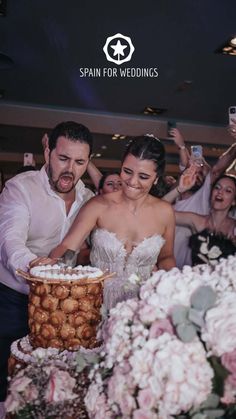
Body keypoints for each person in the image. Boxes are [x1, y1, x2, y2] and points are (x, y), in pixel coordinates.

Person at [0, 121, 94, 409]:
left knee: (52, 389)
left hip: (64, 309)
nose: (70, 169)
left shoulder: (89, 199)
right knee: (7, 382)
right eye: (63, 158)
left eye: (79, 162)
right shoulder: (20, 188)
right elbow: (10, 242)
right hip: (13, 300)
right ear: (47, 151)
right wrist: (36, 266)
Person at [48, 135, 176, 310]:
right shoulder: (98, 205)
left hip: (144, 308)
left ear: (156, 178)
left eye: (143, 176)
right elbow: (67, 247)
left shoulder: (165, 212)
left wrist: (173, 287)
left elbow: (166, 257)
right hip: (96, 304)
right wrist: (52, 267)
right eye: (127, 171)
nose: (132, 182)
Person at [175, 174, 236, 266]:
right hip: (196, 278)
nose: (220, 192)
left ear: (234, 201)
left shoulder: (234, 228)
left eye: (228, 191)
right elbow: (158, 212)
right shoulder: (196, 220)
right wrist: (179, 190)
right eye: (217, 187)